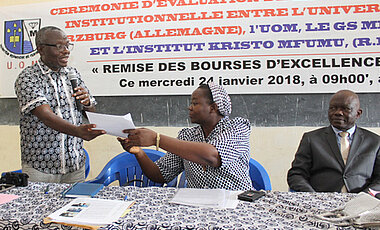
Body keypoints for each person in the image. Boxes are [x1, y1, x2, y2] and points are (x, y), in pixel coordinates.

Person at [118, 83, 253, 190]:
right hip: (198, 207)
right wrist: (139, 153)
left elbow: (213, 156)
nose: (190, 108)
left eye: (195, 103)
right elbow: (160, 175)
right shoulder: (187, 136)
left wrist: (156, 139)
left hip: (236, 204)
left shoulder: (238, 128)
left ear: (213, 107)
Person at [14, 26, 105, 183]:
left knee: (76, 207)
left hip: (74, 165)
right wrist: (78, 131)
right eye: (59, 46)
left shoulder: (72, 74)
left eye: (67, 45)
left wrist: (87, 102)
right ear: (41, 49)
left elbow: (90, 113)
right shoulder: (28, 78)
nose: (66, 51)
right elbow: (46, 116)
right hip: (41, 167)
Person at [287, 90, 380, 193]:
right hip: (321, 201)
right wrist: (312, 196)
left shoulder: (375, 142)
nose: (338, 113)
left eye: (346, 109)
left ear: (358, 114)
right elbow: (296, 174)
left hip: (361, 202)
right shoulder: (311, 139)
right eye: (333, 108)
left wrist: (364, 196)